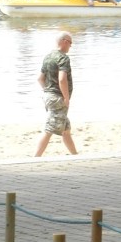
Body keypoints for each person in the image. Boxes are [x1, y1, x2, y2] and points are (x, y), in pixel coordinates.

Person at [35, 30, 77, 158]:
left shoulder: (48, 57)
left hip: (48, 97)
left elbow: (40, 78)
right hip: (58, 98)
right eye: (70, 43)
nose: (70, 46)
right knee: (49, 129)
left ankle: (75, 155)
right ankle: (36, 157)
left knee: (66, 130)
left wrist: (47, 91)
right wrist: (66, 98)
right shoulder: (63, 58)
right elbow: (62, 79)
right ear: (64, 42)